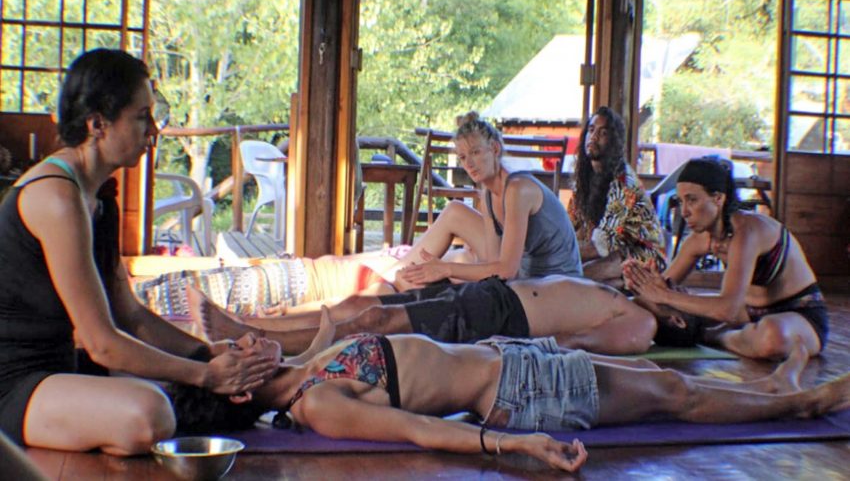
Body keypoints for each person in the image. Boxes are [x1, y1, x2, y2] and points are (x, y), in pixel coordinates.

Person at [0, 49, 280, 454]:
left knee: (168, 387)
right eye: (142, 117)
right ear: (98, 124)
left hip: (59, 369)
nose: (154, 130)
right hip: (12, 383)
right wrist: (206, 375)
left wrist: (205, 354)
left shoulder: (99, 194)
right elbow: (101, 343)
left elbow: (129, 313)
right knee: (150, 413)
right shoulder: (56, 197)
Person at [166, 312, 850, 474]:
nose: (245, 344)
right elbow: (421, 432)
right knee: (676, 394)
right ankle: (804, 404)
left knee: (666, 381)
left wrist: (242, 333)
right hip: (520, 393)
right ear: (241, 393)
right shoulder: (316, 405)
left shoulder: (305, 368)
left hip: (513, 358)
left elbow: (323, 330)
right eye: (237, 354)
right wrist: (515, 445)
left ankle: (785, 394)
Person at [623, 157, 829, 360]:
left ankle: (713, 337)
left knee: (772, 338)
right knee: (670, 314)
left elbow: (727, 310)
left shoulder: (748, 232)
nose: (684, 212)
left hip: (800, 314)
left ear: (718, 198)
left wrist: (664, 295)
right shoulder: (699, 240)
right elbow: (660, 291)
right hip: (745, 315)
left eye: (692, 200)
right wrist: (640, 287)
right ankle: (733, 336)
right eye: (681, 201)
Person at [188, 273, 658, 356]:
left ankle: (261, 343)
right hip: (490, 295)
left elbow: (576, 344)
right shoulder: (620, 294)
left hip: (501, 317)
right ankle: (249, 328)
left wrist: (510, 350)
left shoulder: (644, 321)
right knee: (362, 305)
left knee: (373, 323)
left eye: (668, 290)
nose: (659, 284)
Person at [393, 112, 581, 288]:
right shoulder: (488, 195)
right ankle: (399, 275)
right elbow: (494, 267)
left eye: (475, 152)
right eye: (463, 157)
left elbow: (506, 271)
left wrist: (447, 269)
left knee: (443, 277)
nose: (469, 163)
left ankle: (401, 279)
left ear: (495, 149)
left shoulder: (518, 189)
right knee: (454, 211)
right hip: (524, 278)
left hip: (555, 286)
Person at [131, 248, 403, 318]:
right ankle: (128, 296)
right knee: (192, 282)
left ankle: (127, 304)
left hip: (293, 287)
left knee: (186, 296)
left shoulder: (388, 293)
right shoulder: (393, 267)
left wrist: (289, 312)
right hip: (292, 273)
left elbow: (342, 306)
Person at [568, 107, 666, 287]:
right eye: (591, 130)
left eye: (603, 133)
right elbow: (569, 225)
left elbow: (601, 246)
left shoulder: (624, 182)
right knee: (577, 275)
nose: (594, 137)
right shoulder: (584, 179)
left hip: (644, 256)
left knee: (577, 277)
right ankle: (618, 285)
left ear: (613, 141)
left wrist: (558, 255)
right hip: (614, 255)